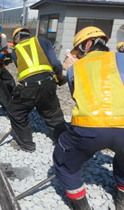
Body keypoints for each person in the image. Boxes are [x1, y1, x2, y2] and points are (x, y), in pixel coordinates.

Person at [53, 26, 124, 210]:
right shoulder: (122, 58)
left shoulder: (75, 69)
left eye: (77, 50)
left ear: (88, 44)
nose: (76, 55)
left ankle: (82, 207)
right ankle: (122, 201)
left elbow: (77, 96)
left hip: (88, 129)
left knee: (63, 163)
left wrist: (71, 66)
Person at [6, 27, 66, 152]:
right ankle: (65, 143)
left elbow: (23, 69)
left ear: (16, 39)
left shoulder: (15, 51)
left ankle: (27, 145)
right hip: (48, 84)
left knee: (16, 112)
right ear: (29, 34)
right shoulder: (42, 41)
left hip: (28, 89)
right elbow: (55, 63)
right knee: (53, 114)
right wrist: (60, 78)